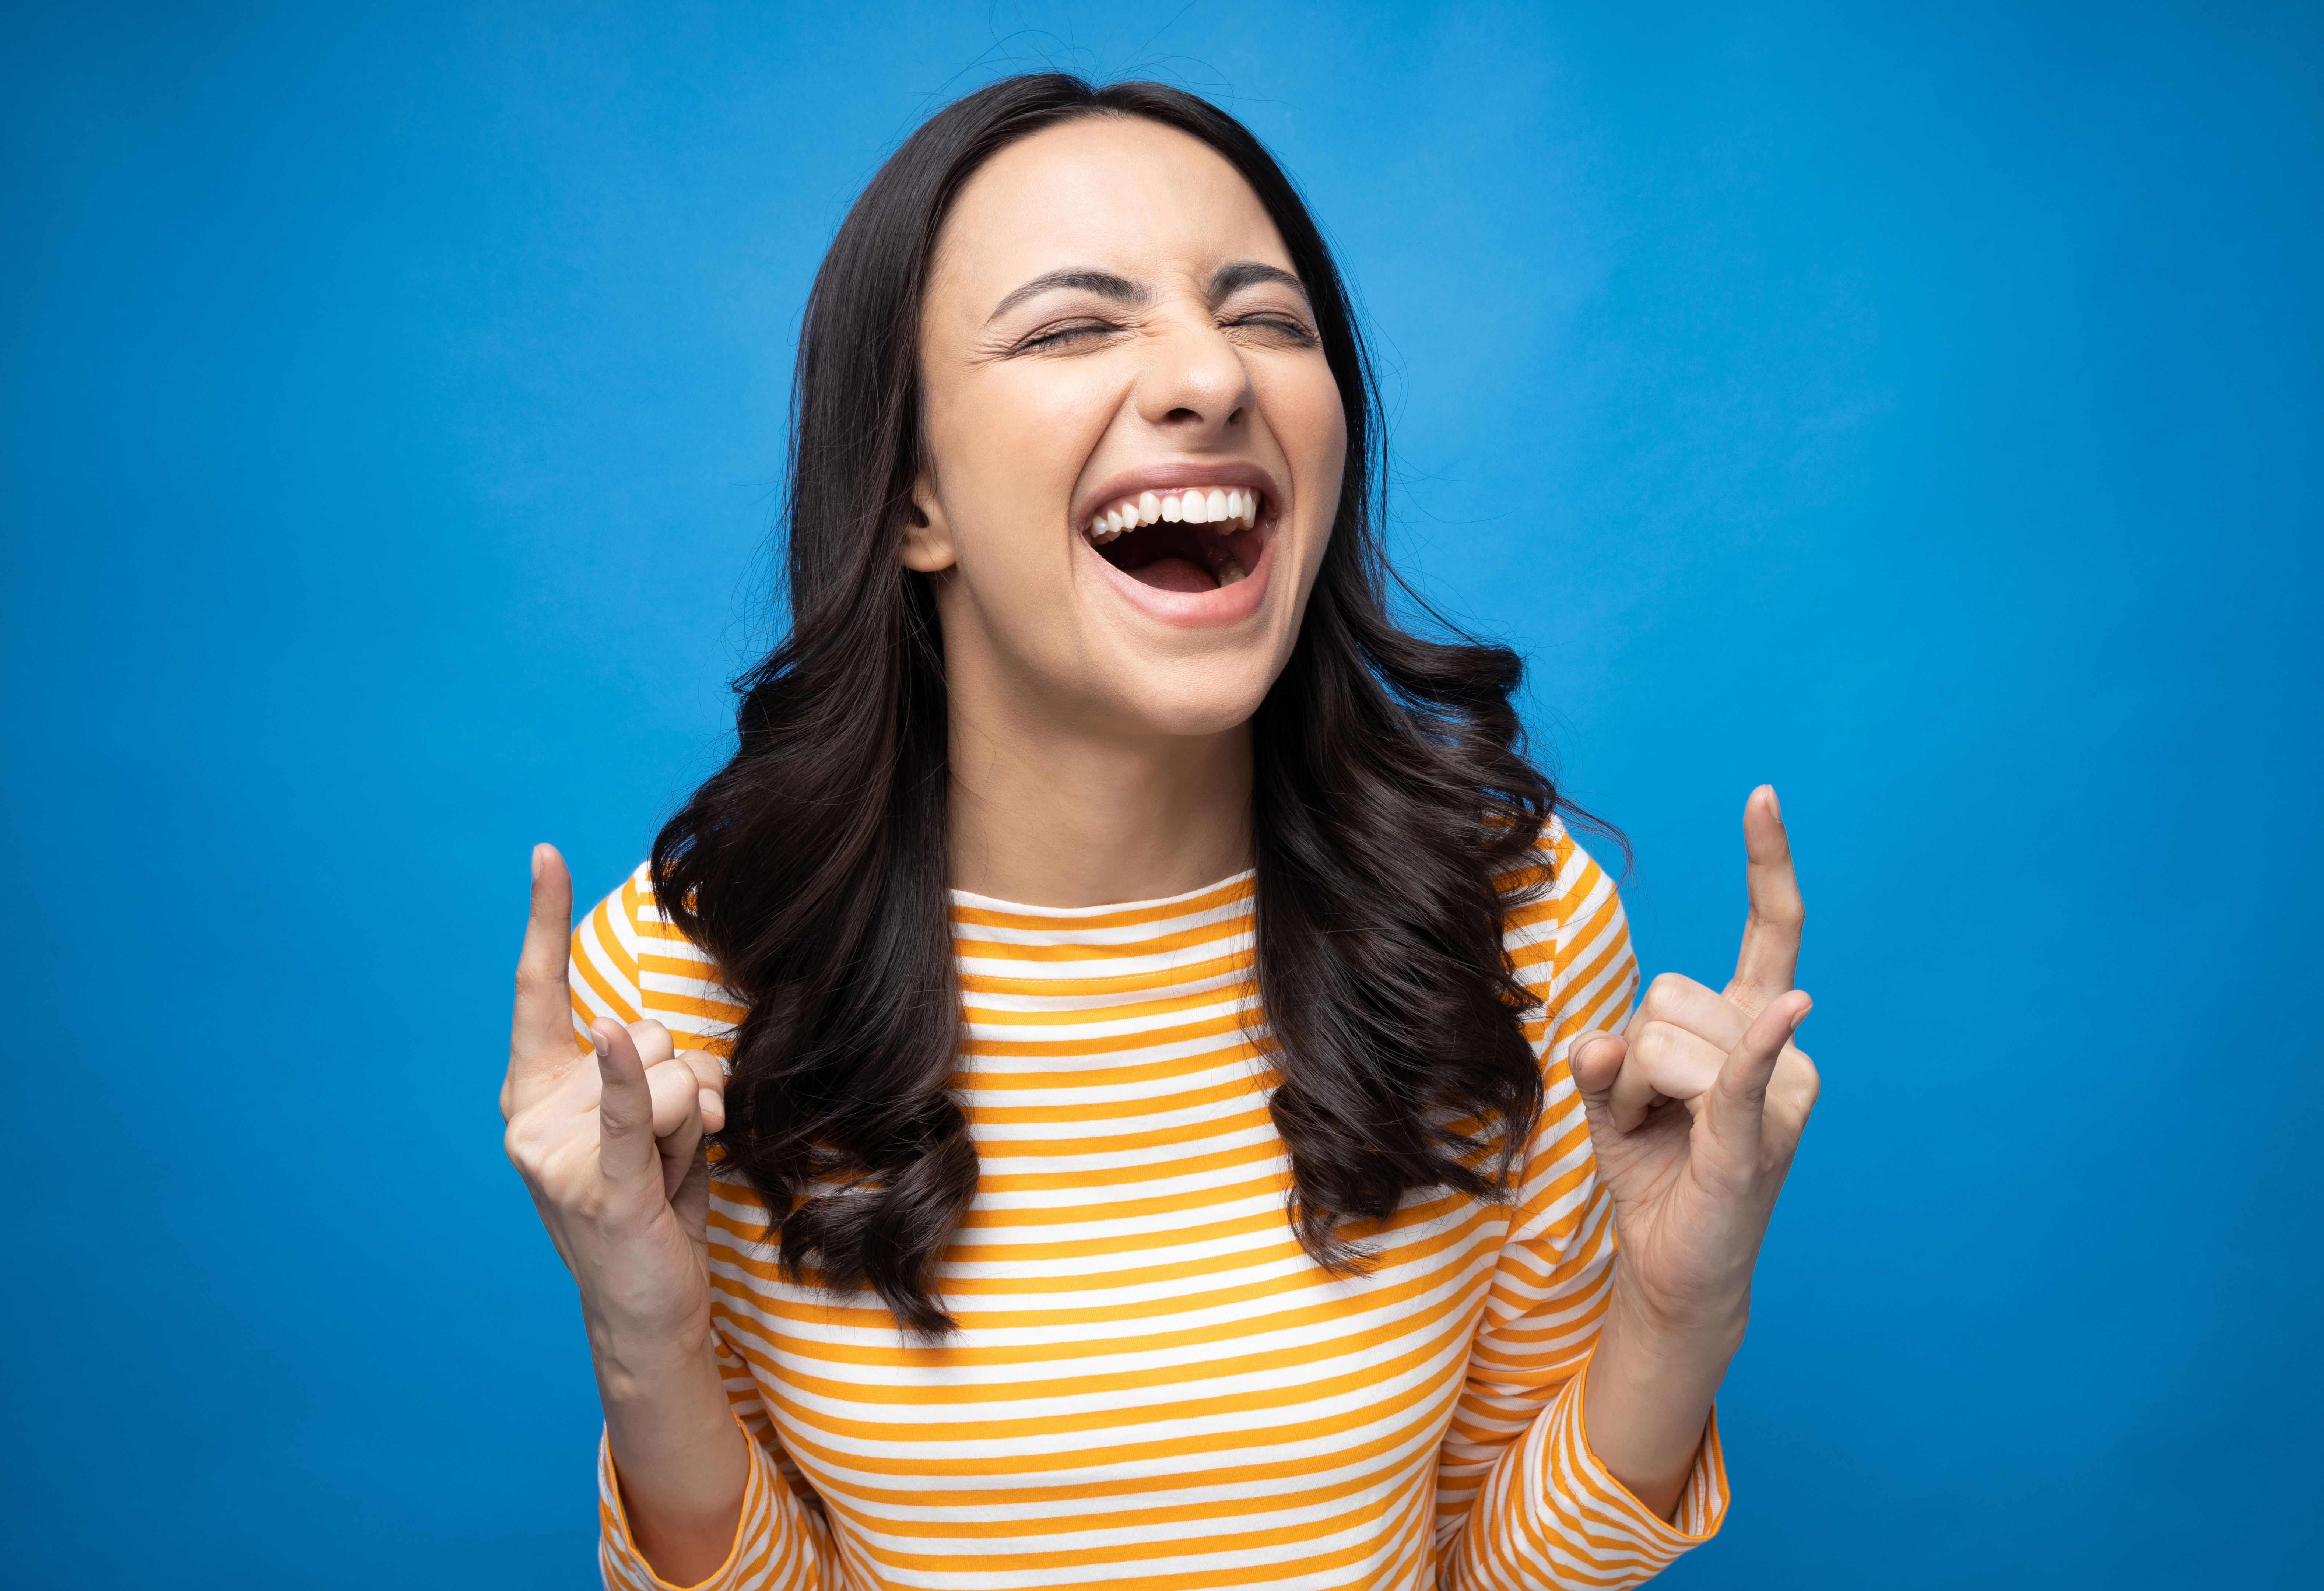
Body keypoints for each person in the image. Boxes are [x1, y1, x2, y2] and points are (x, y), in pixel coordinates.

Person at [499, 74, 1817, 1591]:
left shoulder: (1514, 931)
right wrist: (644, 1337)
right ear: (914, 493)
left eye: (1268, 318)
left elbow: (1488, 1569)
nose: (1210, 373)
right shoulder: (688, 992)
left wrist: (1676, 1325)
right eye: (1073, 327)